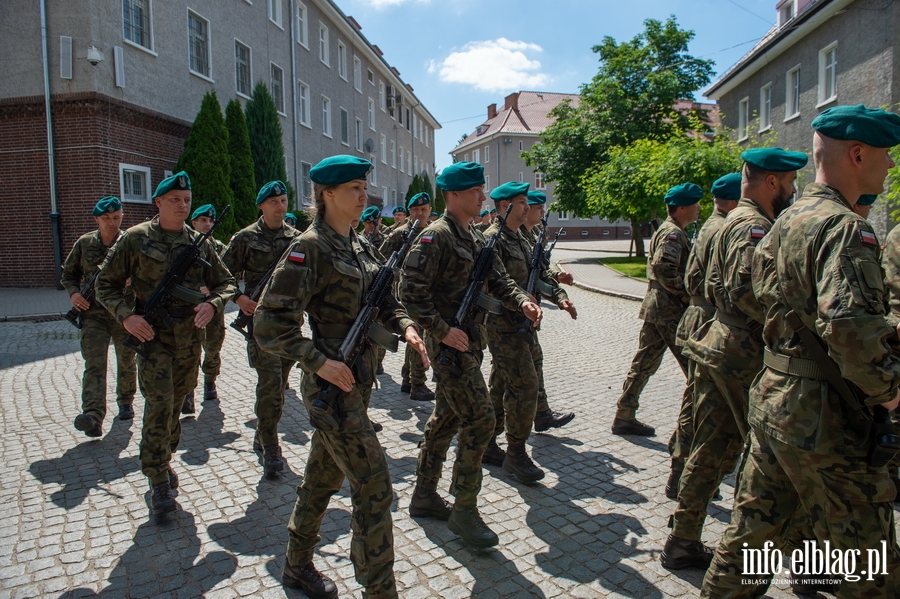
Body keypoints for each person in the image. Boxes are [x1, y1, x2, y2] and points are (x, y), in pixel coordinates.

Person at [700, 104, 900, 597]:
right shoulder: (846, 227)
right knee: (869, 565)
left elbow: (767, 304)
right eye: (885, 155)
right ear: (857, 154)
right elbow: (849, 326)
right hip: (825, 416)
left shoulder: (786, 221)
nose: (891, 166)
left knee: (750, 541)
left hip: (775, 399)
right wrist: (891, 391)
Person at [253, 155, 428, 599]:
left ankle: (295, 566)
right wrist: (317, 360)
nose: (363, 193)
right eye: (354, 187)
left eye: (363, 185)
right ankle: (378, 589)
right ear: (327, 194)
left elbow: (386, 298)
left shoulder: (360, 245)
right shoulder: (308, 248)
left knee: (321, 480)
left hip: (359, 384)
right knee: (373, 487)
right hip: (331, 390)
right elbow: (269, 324)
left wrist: (405, 326)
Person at [663, 149, 807, 571]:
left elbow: (710, 282)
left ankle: (683, 538)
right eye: (790, 184)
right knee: (774, 458)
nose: (793, 192)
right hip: (740, 353)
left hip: (718, 346)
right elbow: (747, 293)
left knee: (711, 448)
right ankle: (805, 562)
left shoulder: (728, 222)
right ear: (771, 183)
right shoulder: (753, 227)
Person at [400, 162, 542, 547]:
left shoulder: (476, 238)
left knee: (446, 416)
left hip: (471, 341)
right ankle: (465, 510)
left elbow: (499, 278)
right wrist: (443, 330)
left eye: (483, 190)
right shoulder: (436, 237)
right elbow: (410, 292)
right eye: (477, 191)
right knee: (480, 419)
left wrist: (521, 301)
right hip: (449, 347)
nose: (484, 196)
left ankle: (425, 494)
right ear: (454, 196)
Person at [95, 172, 236, 517]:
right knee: (159, 404)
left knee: (175, 405)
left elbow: (227, 283)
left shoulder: (198, 242)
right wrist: (128, 317)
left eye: (186, 200)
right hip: (153, 335)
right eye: (175, 199)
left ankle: (164, 456)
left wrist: (211, 304)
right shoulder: (135, 239)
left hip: (189, 337)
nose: (183, 205)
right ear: (158, 203)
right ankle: (157, 477)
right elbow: (105, 285)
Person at [664, 173, 740, 499]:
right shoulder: (724, 228)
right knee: (707, 407)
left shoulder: (709, 226)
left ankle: (680, 469)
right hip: (707, 318)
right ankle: (691, 475)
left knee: (695, 399)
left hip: (697, 317)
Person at [222, 180, 301, 479]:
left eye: (283, 200)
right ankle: (271, 447)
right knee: (269, 384)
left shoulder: (297, 239)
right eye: (274, 202)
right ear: (261, 206)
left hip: (289, 324)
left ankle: (262, 432)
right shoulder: (244, 238)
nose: (281, 206)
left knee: (279, 385)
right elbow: (220, 274)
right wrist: (239, 298)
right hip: (260, 325)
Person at [611, 183, 702, 436]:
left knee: (643, 364)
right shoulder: (672, 233)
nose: (699, 208)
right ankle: (695, 427)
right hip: (669, 311)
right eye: (695, 204)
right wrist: (686, 295)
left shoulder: (674, 230)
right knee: (695, 368)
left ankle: (624, 415)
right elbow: (664, 267)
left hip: (658, 310)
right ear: (682, 208)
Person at [61, 196, 137, 437]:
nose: (111, 223)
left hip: (124, 313)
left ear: (122, 217)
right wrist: (74, 295)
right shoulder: (85, 244)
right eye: (106, 218)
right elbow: (69, 275)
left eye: (116, 218)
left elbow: (149, 273)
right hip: (93, 314)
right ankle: (93, 414)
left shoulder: (130, 242)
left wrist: (133, 280)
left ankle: (125, 401)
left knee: (126, 359)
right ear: (96, 219)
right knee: (94, 363)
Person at [521, 189, 577, 432]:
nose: (541, 212)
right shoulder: (508, 237)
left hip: (528, 316)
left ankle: (542, 413)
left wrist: (560, 296)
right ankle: (494, 435)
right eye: (538, 208)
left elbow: (542, 273)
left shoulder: (532, 237)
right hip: (509, 319)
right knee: (508, 379)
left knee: (533, 363)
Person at [379, 192, 435, 401]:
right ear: (410, 211)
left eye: (424, 209)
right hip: (409, 293)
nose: (420, 213)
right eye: (415, 210)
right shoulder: (400, 234)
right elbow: (381, 260)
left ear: (430, 210)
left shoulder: (434, 233)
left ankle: (407, 379)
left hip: (429, 292)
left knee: (417, 337)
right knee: (419, 335)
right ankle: (417, 384)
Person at [182, 204, 227, 413]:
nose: (207, 224)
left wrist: (212, 290)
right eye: (203, 221)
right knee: (189, 351)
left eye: (210, 221)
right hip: (189, 308)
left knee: (213, 346)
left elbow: (228, 277)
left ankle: (210, 381)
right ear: (194, 223)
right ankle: (188, 393)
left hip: (213, 308)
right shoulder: (184, 245)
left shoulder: (219, 248)